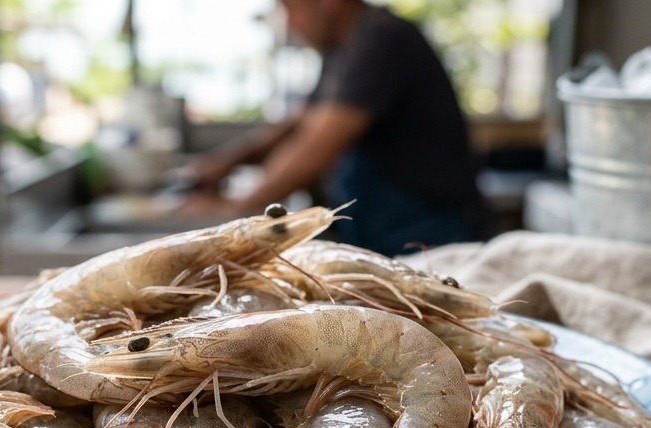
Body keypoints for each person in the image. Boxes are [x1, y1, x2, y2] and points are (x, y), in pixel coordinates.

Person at [181, 0, 489, 255]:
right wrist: (227, 162)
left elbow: (319, 143)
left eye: (292, 8)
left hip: (429, 233)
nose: (290, 24)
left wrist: (239, 208)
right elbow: (301, 121)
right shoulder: (342, 50)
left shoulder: (382, 38)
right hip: (381, 231)